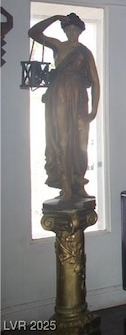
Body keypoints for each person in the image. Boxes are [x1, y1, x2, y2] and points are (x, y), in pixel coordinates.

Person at [28, 13, 100, 201]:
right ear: (65, 31)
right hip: (59, 95)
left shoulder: (85, 52)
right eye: (68, 30)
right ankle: (65, 184)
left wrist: (94, 109)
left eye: (75, 30)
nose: (72, 33)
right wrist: (55, 17)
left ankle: (79, 182)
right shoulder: (58, 45)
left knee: (81, 144)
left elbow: (96, 81)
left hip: (79, 98)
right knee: (63, 141)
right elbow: (34, 32)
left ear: (80, 31)